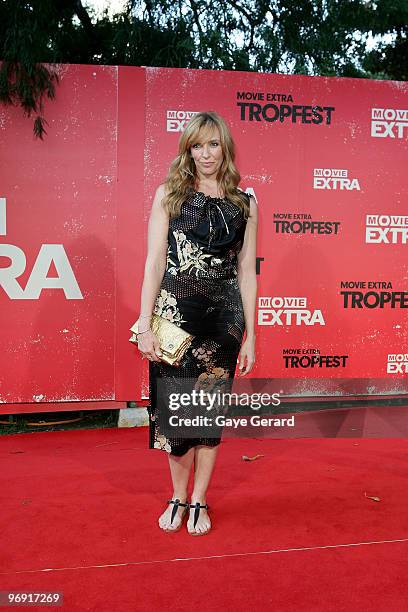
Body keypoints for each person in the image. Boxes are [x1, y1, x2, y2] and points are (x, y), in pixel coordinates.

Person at [135, 111, 258, 535]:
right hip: (174, 319)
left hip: (223, 322)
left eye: (213, 144)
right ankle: (177, 497)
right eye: (196, 145)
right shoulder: (169, 194)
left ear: (225, 148)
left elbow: (247, 273)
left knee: (206, 417)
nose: (205, 154)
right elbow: (153, 262)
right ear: (187, 150)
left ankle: (200, 499)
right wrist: (144, 323)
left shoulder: (245, 203)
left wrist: (251, 336)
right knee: (175, 417)